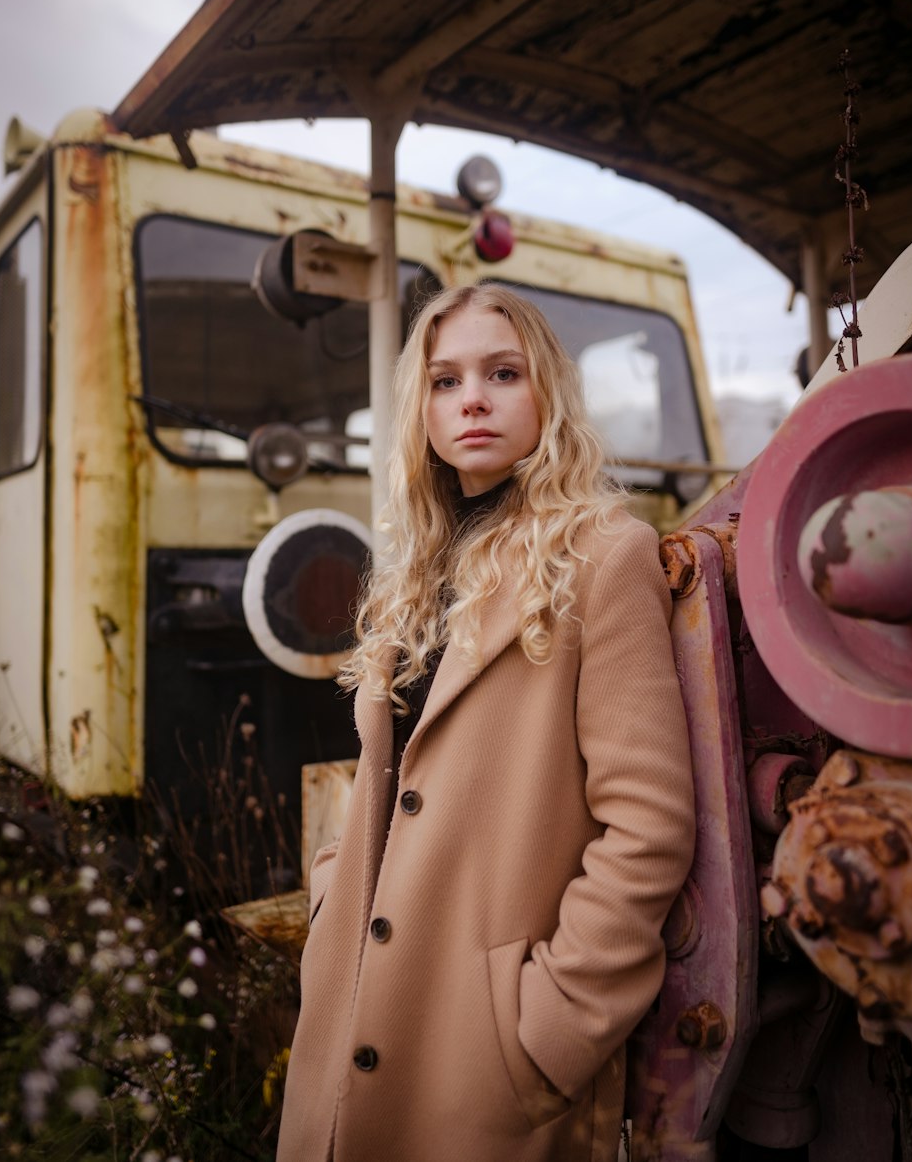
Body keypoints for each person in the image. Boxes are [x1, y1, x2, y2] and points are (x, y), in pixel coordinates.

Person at [276, 283, 695, 1162]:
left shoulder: (604, 556)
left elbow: (649, 825)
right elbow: (395, 777)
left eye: (502, 372)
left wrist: (553, 1027)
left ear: (546, 389)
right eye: (444, 380)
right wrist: (330, 902)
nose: (472, 397)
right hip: (360, 989)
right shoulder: (416, 569)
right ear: (418, 409)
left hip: (486, 1042)